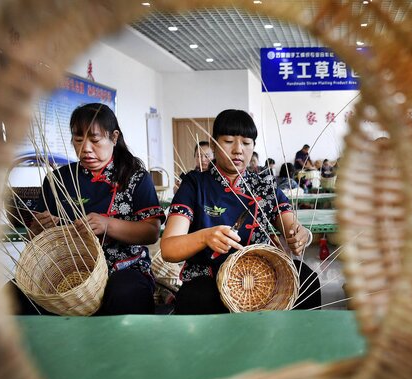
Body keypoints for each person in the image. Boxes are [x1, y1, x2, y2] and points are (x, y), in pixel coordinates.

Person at [160, 109, 321, 314]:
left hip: (261, 276)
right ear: (214, 143)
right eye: (228, 141)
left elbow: (292, 227)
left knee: (307, 281)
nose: (238, 150)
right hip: (208, 277)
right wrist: (204, 237)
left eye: (246, 143)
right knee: (197, 298)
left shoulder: (264, 185)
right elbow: (168, 248)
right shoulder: (195, 184)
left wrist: (302, 236)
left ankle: (293, 345)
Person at [18, 103, 165, 315]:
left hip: (122, 267)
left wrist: (109, 225)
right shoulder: (58, 179)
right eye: (78, 140)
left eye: (94, 140)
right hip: (68, 271)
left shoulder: (135, 177)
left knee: (126, 293)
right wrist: (39, 229)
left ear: (114, 138)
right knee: (15, 296)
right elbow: (36, 239)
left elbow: (151, 232)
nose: (86, 148)